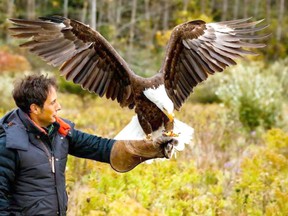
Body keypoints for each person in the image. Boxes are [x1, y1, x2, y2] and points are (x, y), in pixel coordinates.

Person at [0, 74, 177, 216]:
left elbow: (99, 147)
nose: (59, 107)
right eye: (53, 103)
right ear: (35, 109)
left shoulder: (60, 132)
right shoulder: (9, 143)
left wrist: (153, 148)